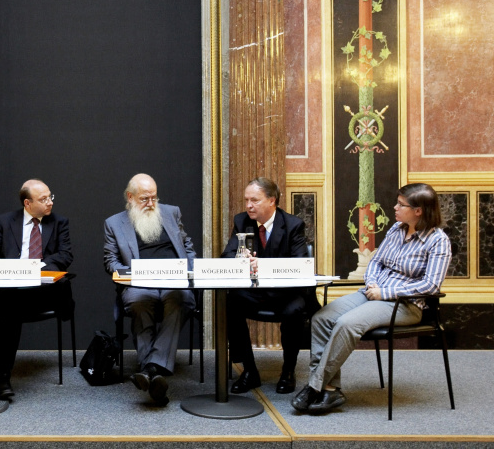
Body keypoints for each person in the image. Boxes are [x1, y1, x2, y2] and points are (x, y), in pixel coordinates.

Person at [291, 183, 451, 414]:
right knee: (322, 318)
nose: (395, 207)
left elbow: (431, 284)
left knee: (347, 324)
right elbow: (376, 262)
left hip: (404, 305)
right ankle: (329, 388)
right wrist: (373, 283)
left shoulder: (438, 241)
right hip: (372, 293)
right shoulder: (397, 229)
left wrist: (384, 293)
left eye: (401, 204)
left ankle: (314, 387)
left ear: (419, 211)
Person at [103, 173, 196, 406]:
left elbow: (187, 246)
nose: (151, 204)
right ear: (130, 197)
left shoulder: (172, 213)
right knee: (138, 302)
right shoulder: (114, 223)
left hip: (173, 281)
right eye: (145, 199)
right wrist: (130, 275)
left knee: (180, 299)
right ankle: (156, 373)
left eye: (154, 198)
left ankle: (150, 369)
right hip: (139, 283)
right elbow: (110, 261)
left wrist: (190, 271)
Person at [220, 177, 318, 394]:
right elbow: (226, 255)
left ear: (272, 200)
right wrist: (238, 257)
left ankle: (288, 371)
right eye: (246, 200)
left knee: (295, 310)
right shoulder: (242, 222)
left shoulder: (293, 225)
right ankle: (249, 370)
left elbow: (300, 265)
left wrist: (262, 265)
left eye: (254, 200)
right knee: (229, 302)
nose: (248, 205)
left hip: (286, 293)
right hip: (255, 293)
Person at [0, 179, 74, 400]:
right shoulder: (4, 222)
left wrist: (36, 267)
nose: (50, 202)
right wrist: (16, 271)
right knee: (12, 305)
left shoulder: (59, 222)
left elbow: (65, 255)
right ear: (27, 203)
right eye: (43, 199)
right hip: (12, 288)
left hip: (44, 292)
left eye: (50, 196)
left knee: (9, 306)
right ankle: (3, 376)